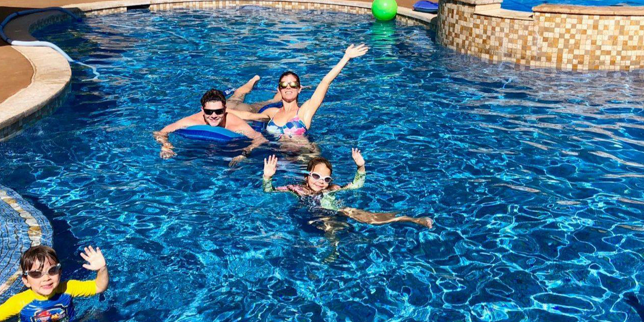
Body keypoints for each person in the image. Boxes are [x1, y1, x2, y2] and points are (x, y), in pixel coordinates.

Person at [262, 149, 434, 229]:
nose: (321, 182)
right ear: (307, 176)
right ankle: (333, 249)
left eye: (326, 179)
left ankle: (412, 219)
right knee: (329, 230)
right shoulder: (296, 189)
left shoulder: (332, 189)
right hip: (314, 215)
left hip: (339, 211)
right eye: (316, 176)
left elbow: (356, 185)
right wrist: (267, 178)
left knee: (371, 219)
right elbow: (270, 191)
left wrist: (361, 167)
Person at [231, 44, 370, 139]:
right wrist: (219, 111)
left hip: (302, 159)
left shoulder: (304, 111)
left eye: (293, 84)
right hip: (277, 159)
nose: (288, 87)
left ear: (299, 89)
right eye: (284, 85)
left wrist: (346, 58)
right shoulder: (271, 113)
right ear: (279, 89)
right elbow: (247, 115)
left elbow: (325, 82)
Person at [0, 245, 109, 322]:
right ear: (26, 281)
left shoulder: (68, 288)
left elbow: (99, 287)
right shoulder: (20, 301)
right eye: (36, 274)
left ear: (60, 272)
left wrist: (102, 269)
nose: (46, 278)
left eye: (52, 270)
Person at [155, 89, 268, 165]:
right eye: (209, 112)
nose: (213, 115)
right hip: (227, 105)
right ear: (202, 110)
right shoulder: (192, 121)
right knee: (236, 97)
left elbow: (260, 138)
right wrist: (166, 147)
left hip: (243, 111)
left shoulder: (236, 124)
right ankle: (246, 85)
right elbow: (160, 132)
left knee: (256, 107)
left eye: (218, 111)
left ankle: (254, 84)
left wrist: (245, 153)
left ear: (224, 110)